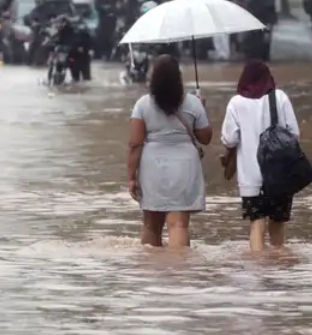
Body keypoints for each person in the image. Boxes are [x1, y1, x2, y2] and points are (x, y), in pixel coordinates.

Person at [128, 55, 212, 248]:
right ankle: (180, 272)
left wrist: (132, 177)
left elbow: (134, 144)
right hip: (185, 167)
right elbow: (206, 138)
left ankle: (150, 273)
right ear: (179, 78)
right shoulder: (193, 103)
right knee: (179, 225)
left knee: (151, 225)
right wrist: (202, 108)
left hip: (152, 168)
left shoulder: (142, 105)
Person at [220, 60, 300, 252]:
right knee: (277, 226)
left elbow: (229, 139)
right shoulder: (280, 98)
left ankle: (258, 271)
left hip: (250, 178)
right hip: (280, 175)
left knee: (256, 224)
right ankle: (278, 269)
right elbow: (294, 134)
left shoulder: (236, 103)